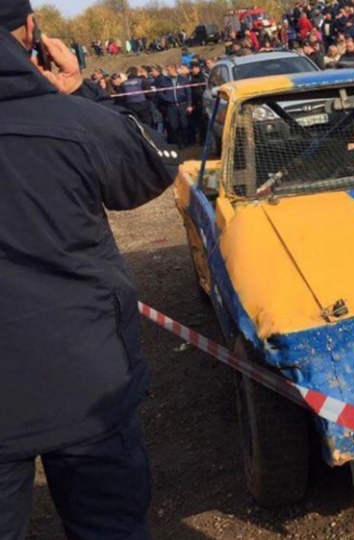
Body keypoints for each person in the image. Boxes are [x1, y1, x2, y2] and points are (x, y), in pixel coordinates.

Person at [0, 1, 179, 539]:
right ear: (31, 31)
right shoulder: (67, 120)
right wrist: (80, 89)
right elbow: (155, 165)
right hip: (84, 380)